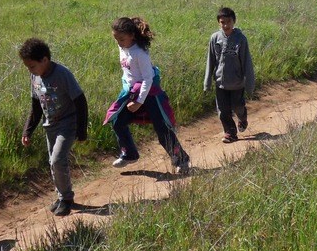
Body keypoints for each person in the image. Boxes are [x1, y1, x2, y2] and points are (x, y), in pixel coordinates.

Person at [104, 16, 191, 174]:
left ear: (132, 36)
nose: (118, 42)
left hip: (149, 95)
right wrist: (128, 90)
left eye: (121, 39)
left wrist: (138, 101)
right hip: (132, 93)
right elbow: (128, 72)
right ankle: (129, 154)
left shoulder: (140, 54)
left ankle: (181, 160)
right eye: (115, 38)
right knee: (117, 121)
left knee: (162, 129)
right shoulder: (123, 47)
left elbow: (147, 79)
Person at [19, 38, 89, 217]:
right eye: (28, 67)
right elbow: (36, 104)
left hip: (68, 122)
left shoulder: (62, 74)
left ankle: (66, 199)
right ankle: (61, 197)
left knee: (57, 160)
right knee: (53, 163)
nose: (30, 70)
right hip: (50, 125)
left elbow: (80, 101)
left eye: (32, 66)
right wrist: (28, 130)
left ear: (45, 60)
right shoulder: (35, 75)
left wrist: (81, 130)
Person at [204, 7, 255, 143]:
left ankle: (242, 117)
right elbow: (210, 60)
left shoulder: (241, 39)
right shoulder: (215, 38)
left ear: (234, 21)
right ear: (218, 23)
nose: (226, 25)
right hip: (220, 83)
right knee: (223, 111)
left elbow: (247, 63)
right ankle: (230, 133)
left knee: (238, 106)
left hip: (237, 83)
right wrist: (207, 81)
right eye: (222, 22)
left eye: (228, 22)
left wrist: (250, 85)